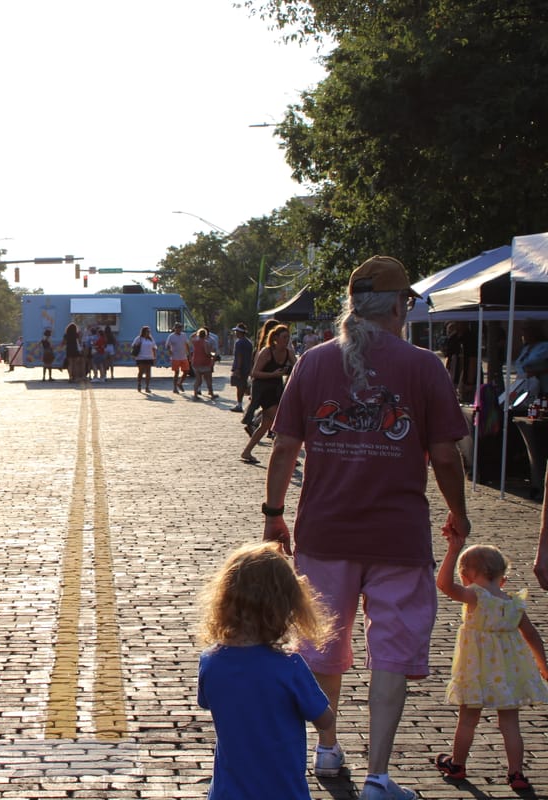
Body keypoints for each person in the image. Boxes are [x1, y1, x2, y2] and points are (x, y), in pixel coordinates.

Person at [262, 255, 471, 800]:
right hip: (398, 536)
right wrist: (459, 511)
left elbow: (284, 446)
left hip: (326, 532)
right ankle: (379, 774)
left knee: (323, 645)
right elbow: (446, 456)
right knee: (393, 654)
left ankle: (328, 747)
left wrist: (274, 513)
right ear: (400, 306)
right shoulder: (426, 366)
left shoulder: (312, 361)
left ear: (352, 307)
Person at [198, 541, 335, 799]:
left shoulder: (210, 662)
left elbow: (207, 702)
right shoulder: (289, 667)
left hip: (228, 791)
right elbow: (325, 719)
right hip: (282, 789)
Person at [435, 535, 548, 790]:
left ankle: (458, 764)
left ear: (468, 575)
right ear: (502, 576)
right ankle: (516, 773)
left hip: (476, 672)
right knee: (510, 723)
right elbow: (531, 635)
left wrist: (453, 551)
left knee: (467, 720)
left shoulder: (475, 597)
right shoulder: (514, 604)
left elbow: (443, 585)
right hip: (508, 673)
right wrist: (543, 665)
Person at [240, 325, 294, 464]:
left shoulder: (288, 352)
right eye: (284, 337)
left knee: (266, 425)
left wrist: (290, 372)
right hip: (263, 390)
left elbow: (298, 367)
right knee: (281, 421)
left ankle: (247, 452)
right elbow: (254, 373)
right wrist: (273, 374)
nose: (286, 340)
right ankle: (287, 456)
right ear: (275, 338)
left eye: (288, 337)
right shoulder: (267, 351)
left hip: (276, 390)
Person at [229, 323, 253, 413]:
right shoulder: (249, 343)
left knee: (240, 387)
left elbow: (239, 356)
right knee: (243, 385)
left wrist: (238, 369)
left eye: (236, 331)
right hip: (247, 367)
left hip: (240, 368)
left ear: (239, 332)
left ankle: (239, 404)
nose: (235, 333)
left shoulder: (239, 343)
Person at [164, 322, 191, 394]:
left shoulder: (184, 335)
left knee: (186, 371)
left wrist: (189, 354)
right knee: (176, 372)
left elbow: (187, 344)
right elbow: (167, 345)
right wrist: (170, 350)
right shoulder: (171, 336)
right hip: (175, 357)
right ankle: (175, 388)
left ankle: (180, 383)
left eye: (180, 328)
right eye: (178, 328)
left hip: (183, 356)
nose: (179, 329)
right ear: (175, 328)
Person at [190, 328, 216, 400]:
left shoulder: (195, 342)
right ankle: (211, 394)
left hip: (195, 362)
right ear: (205, 335)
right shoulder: (206, 342)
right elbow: (207, 353)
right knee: (208, 379)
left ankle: (195, 394)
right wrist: (212, 355)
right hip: (204, 363)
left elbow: (191, 337)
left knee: (198, 380)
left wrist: (196, 332)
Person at [132, 326, 156, 393]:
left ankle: (147, 387)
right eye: (147, 331)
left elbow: (154, 348)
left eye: (149, 331)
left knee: (148, 372)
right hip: (140, 357)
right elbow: (133, 346)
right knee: (141, 372)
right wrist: (134, 355)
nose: (148, 333)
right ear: (143, 332)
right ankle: (139, 384)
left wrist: (154, 357)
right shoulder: (139, 338)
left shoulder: (151, 339)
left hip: (149, 357)